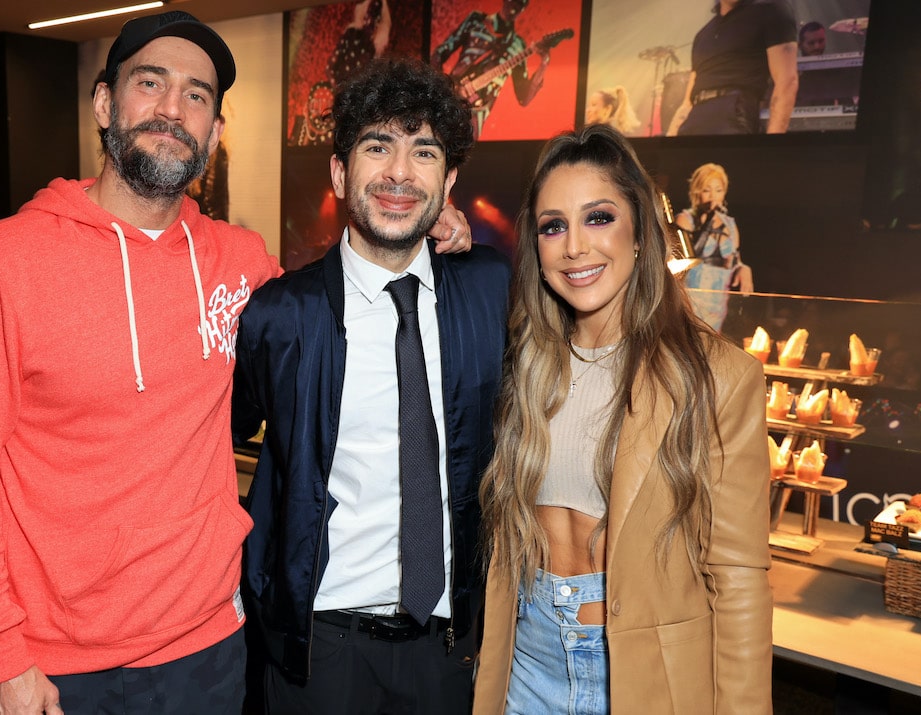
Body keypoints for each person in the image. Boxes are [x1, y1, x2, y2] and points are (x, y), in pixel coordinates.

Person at [0, 11, 473, 714]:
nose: (173, 109)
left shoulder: (241, 265)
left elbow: (337, 296)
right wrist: (0, 656)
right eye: (151, 83)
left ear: (213, 130)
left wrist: (425, 221)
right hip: (59, 666)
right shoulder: (0, 264)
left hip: (212, 644)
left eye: (198, 96)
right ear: (103, 103)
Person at [234, 57, 510, 714]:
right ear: (339, 171)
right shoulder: (280, 315)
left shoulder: (489, 289)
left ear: (449, 181)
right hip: (319, 648)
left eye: (423, 152)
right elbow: (212, 440)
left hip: (446, 650)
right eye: (377, 145)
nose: (398, 172)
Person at [473, 124, 773, 713]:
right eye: (553, 225)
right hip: (526, 662)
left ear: (640, 232)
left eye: (599, 217)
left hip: (639, 675)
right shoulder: (523, 365)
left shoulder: (717, 377)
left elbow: (738, 579)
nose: (575, 247)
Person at [667, 0, 799, 135]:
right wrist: (670, 141)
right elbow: (687, 101)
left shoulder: (771, 10)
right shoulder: (702, 35)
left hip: (734, 111)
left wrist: (771, 148)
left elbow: (786, 81)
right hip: (696, 114)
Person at [433, 0, 557, 138]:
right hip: (450, 100)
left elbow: (524, 97)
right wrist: (443, 89)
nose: (513, 8)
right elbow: (440, 53)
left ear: (524, 8)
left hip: (475, 117)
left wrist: (544, 62)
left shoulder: (518, 45)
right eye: (512, 1)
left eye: (519, 4)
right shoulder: (476, 20)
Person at [675, 162, 753, 331]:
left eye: (718, 190)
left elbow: (734, 259)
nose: (713, 196)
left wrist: (743, 269)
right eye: (706, 190)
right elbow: (677, 265)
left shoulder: (730, 224)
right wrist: (707, 221)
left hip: (718, 302)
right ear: (697, 192)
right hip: (691, 301)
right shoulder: (686, 220)